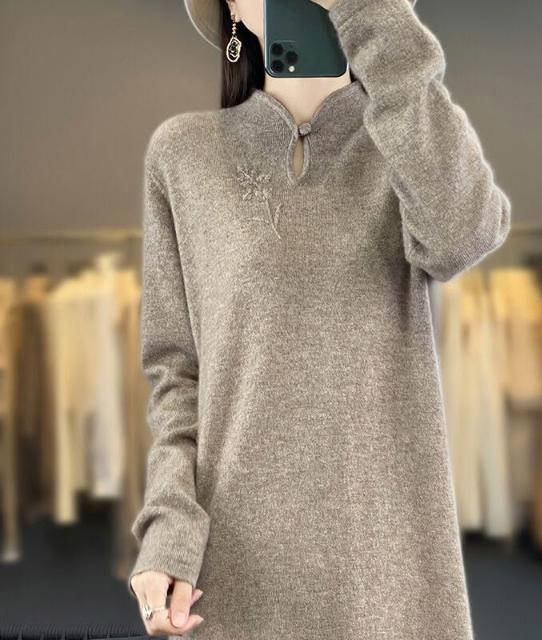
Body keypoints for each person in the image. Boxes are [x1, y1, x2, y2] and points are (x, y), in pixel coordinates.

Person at [127, 0, 512, 638]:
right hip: (233, 568)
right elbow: (177, 373)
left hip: (389, 562)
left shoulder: (410, 135)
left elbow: (462, 234)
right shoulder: (183, 153)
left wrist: (370, 17)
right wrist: (169, 528)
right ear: (230, 10)